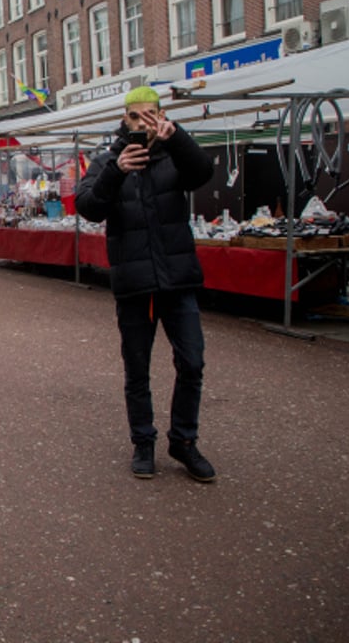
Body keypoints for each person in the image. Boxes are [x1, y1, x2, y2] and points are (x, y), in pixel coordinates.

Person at [75, 86, 217, 482]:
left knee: (192, 362)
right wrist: (117, 170)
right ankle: (143, 441)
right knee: (137, 368)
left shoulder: (175, 153)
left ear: (161, 114)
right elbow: (88, 208)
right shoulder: (107, 160)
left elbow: (203, 173)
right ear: (125, 119)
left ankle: (184, 441)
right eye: (135, 117)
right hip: (135, 283)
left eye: (150, 115)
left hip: (178, 280)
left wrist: (179, 137)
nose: (143, 124)